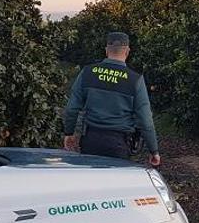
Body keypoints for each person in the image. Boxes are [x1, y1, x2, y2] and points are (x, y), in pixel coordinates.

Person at [63, 32, 161, 167]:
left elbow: (72, 108)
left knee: (90, 183)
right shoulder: (135, 80)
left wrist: (69, 133)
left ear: (106, 50)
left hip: (91, 140)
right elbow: (145, 120)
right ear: (127, 51)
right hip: (118, 144)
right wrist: (153, 150)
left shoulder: (88, 72)